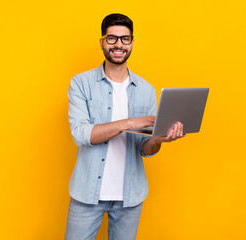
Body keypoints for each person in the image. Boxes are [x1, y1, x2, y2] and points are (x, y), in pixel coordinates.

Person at [65, 13, 185, 240]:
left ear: (132, 42)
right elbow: (81, 134)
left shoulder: (146, 89)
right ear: (102, 42)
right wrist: (130, 122)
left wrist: (159, 139)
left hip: (130, 198)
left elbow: (145, 149)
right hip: (87, 194)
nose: (119, 44)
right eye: (112, 38)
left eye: (125, 39)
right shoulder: (80, 83)